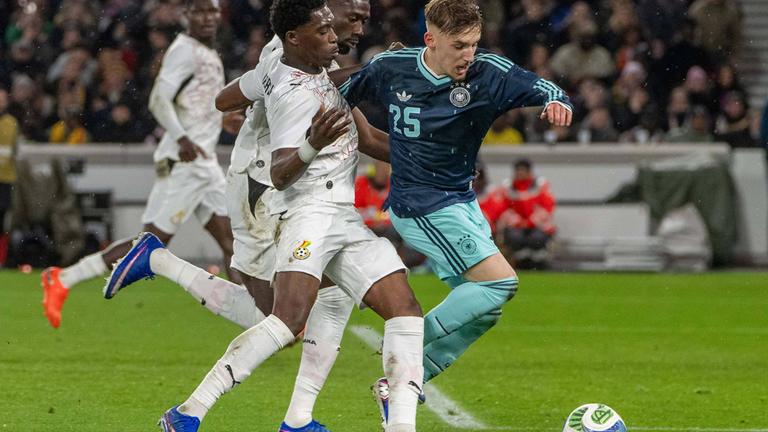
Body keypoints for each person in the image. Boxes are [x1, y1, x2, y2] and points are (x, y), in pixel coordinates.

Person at [156, 1, 424, 431]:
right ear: (295, 37)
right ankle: (186, 413)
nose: (336, 37)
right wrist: (312, 143)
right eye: (325, 31)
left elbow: (225, 97)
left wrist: (247, 102)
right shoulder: (294, 93)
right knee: (286, 322)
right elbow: (281, 172)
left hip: (342, 217)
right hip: (305, 214)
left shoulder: (283, 67)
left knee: (404, 309)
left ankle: (390, 427)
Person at [338, 0, 571, 420]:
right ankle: (404, 349)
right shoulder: (393, 67)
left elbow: (547, 88)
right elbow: (338, 95)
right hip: (420, 202)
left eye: (474, 44)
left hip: (461, 200)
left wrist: (560, 104)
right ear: (431, 39)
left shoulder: (489, 73)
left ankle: (409, 379)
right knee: (500, 284)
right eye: (459, 45)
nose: (468, 54)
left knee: (488, 307)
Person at [40, 0, 241, 329]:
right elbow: (158, 100)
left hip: (200, 162)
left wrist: (221, 120)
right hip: (186, 162)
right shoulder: (184, 51)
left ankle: (261, 320)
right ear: (185, 15)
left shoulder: (205, 52)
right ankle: (63, 278)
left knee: (232, 242)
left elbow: (192, 106)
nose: (208, 17)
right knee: (149, 245)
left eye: (213, 11)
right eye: (200, 11)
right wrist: (182, 138)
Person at [486, 159, 556, 269]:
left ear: (529, 172)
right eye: (518, 170)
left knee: (537, 238)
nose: (520, 173)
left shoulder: (540, 186)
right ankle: (521, 263)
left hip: (537, 225)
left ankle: (539, 264)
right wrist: (515, 220)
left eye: (522, 170)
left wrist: (531, 221)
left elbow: (548, 206)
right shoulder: (508, 188)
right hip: (516, 226)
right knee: (515, 237)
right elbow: (501, 208)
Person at [0, 88, 18, 266]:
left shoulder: (11, 123)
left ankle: (1, 259)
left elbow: (11, 152)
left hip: (5, 179)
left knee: (3, 220)